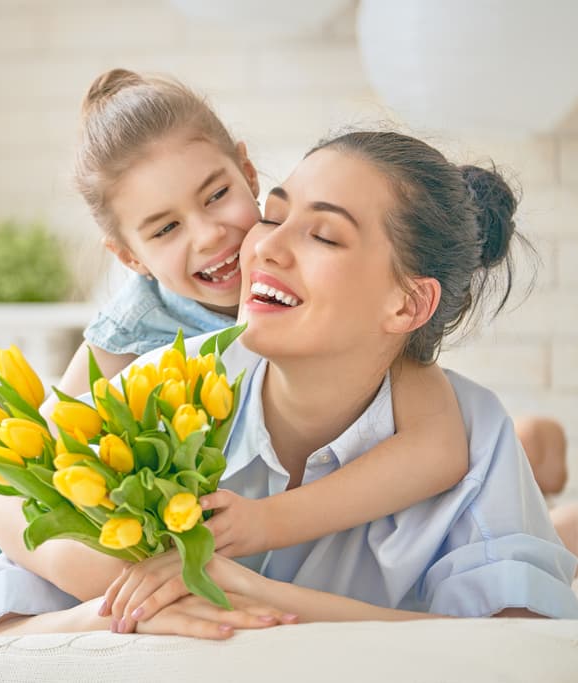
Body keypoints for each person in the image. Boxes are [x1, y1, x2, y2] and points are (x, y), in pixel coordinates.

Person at [0, 130, 578, 638]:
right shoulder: (165, 388)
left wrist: (252, 596)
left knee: (542, 518)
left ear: (407, 304)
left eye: (324, 235)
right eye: (274, 216)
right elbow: (2, 613)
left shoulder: (467, 430)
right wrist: (131, 610)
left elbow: (518, 645)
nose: (261, 248)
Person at [25, 68, 475, 576]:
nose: (208, 234)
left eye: (216, 195)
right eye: (167, 228)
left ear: (249, 173)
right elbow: (35, 473)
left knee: (487, 450)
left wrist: (268, 522)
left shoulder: (332, 299)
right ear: (132, 258)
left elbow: (437, 446)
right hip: (207, 557)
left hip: (322, 538)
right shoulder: (128, 337)